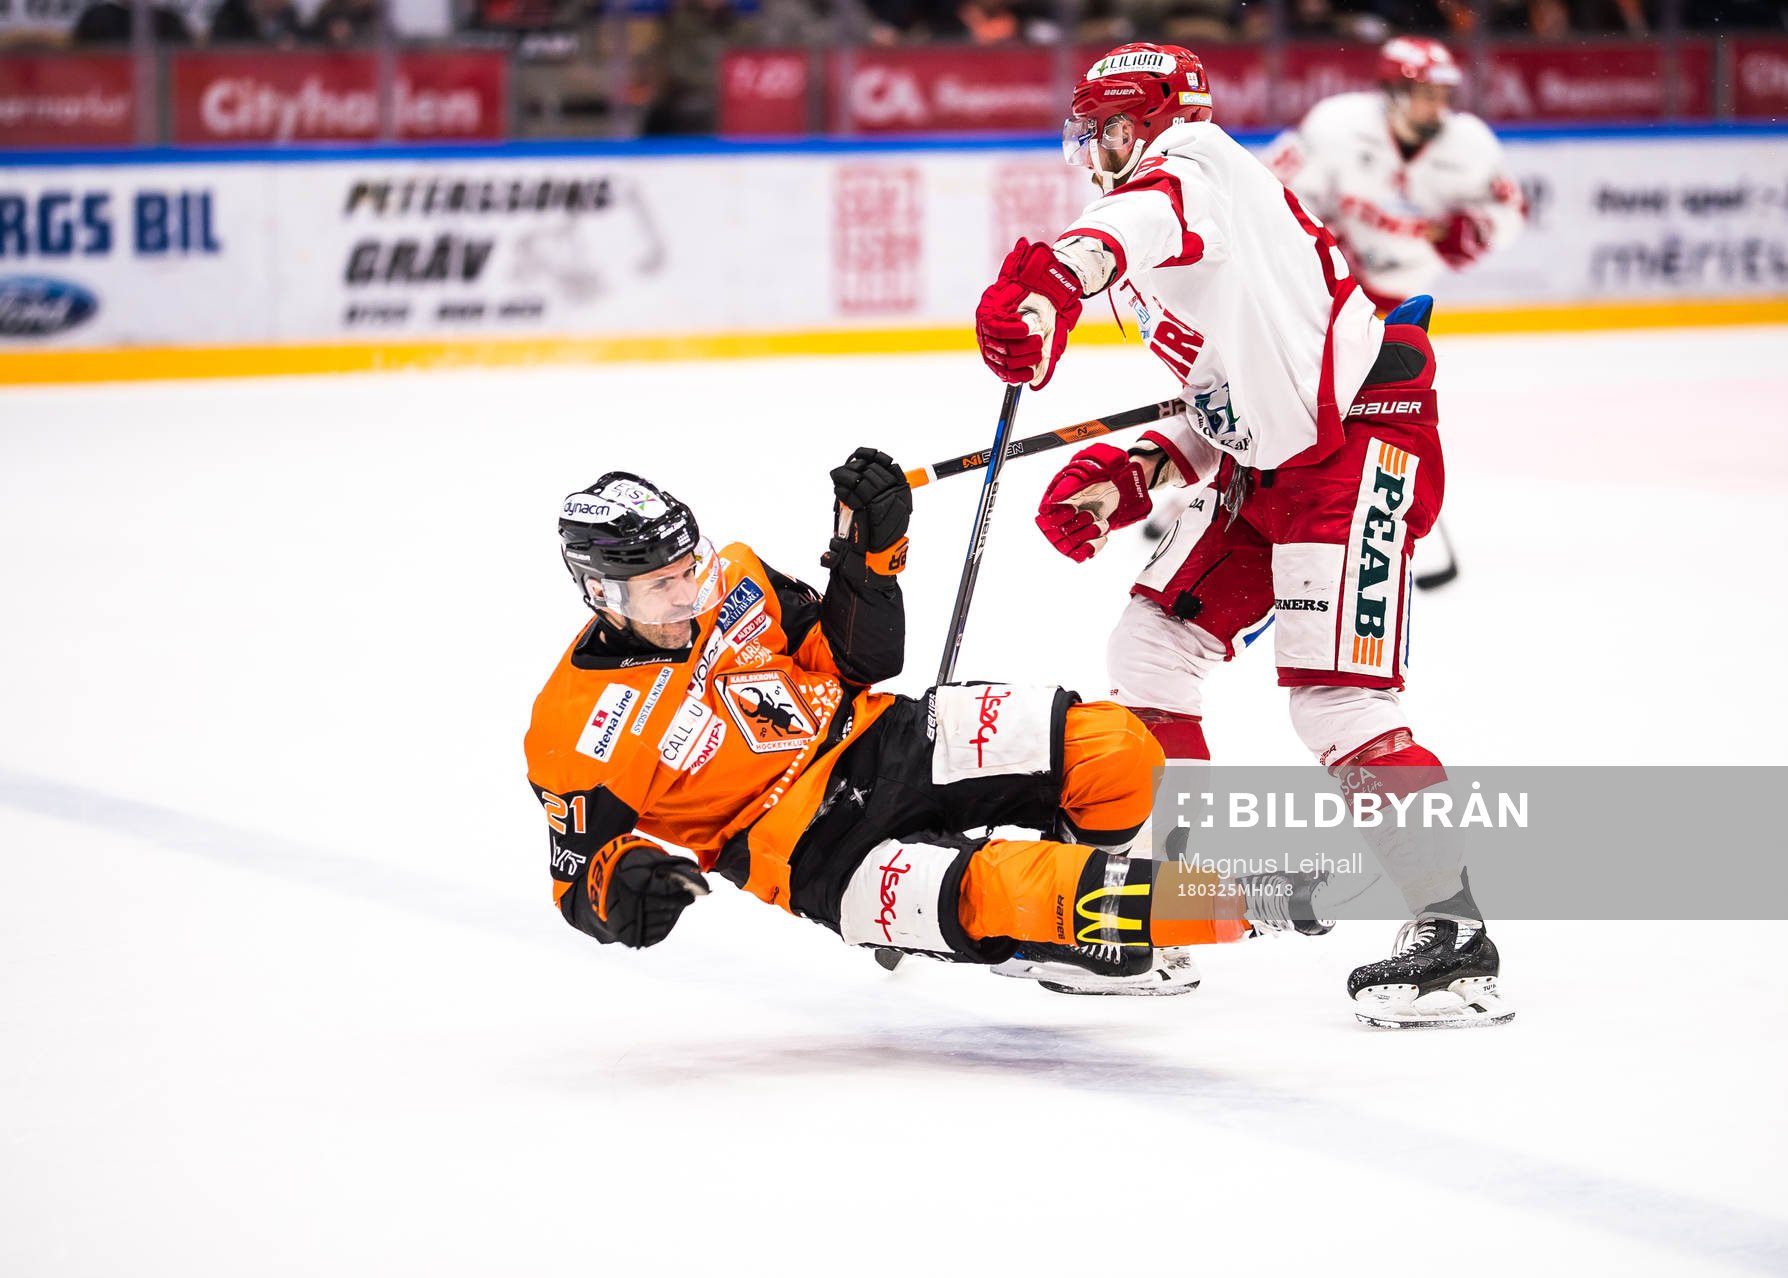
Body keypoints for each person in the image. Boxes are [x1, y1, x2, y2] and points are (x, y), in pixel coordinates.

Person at [971, 42, 1511, 1027]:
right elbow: (1238, 398)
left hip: (1361, 447)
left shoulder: (1193, 169)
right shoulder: (1205, 218)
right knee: (1151, 646)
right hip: (1282, 456)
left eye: (1096, 132)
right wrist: (1141, 471)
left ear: (1137, 126)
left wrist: (1054, 280)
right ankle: (1172, 913)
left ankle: (1455, 936)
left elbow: (1131, 224)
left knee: (1337, 703)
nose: (1086, 151)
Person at [524, 451, 1288, 989]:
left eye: (691, 566)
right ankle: (1238, 903)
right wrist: (621, 892)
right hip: (809, 852)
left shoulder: (738, 580)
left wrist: (870, 557)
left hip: (886, 740)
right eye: (662, 585)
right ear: (600, 590)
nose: (689, 593)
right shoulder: (576, 726)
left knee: (1116, 747)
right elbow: (578, 881)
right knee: (1014, 885)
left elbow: (860, 663)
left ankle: (1077, 939)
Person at [1263, 37, 1525, 314]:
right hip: (1319, 287)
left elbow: (1512, 210)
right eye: (1427, 95)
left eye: (1444, 96)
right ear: (1394, 92)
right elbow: (1270, 186)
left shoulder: (1471, 143)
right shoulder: (1337, 124)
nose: (1438, 108)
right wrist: (1314, 234)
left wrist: (1478, 228)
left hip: (1400, 296)